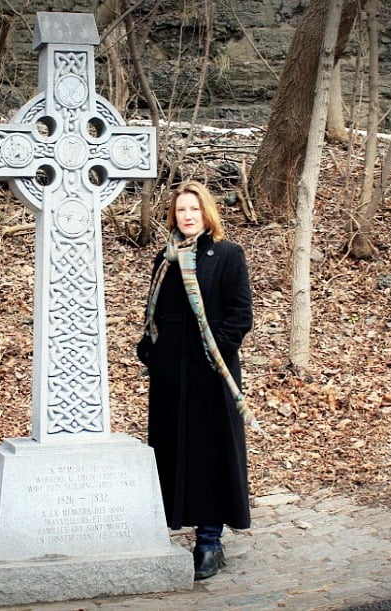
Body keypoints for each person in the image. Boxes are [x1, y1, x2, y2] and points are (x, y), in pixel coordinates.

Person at [136, 180, 253, 580]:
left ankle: (209, 542)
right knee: (174, 451)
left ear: (207, 213)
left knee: (209, 452)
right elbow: (155, 311)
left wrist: (214, 348)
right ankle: (180, 524)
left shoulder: (227, 255)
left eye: (194, 209)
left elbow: (240, 314)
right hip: (171, 374)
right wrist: (150, 346)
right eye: (181, 210)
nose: (188, 216)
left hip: (211, 372)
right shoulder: (165, 259)